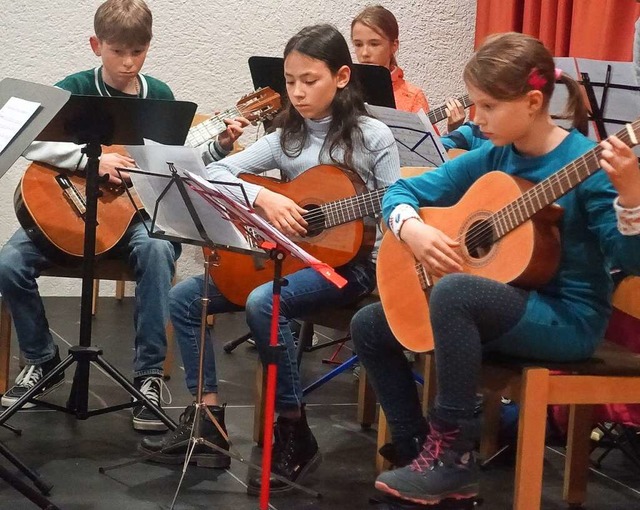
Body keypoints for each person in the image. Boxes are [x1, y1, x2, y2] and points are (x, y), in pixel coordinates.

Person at [350, 31, 640, 505]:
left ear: (531, 102)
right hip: (503, 300)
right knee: (371, 324)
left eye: (487, 107)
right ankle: (416, 445)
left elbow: (632, 262)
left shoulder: (585, 166)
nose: (476, 118)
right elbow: (400, 193)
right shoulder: (494, 157)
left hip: (568, 318)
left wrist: (631, 195)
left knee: (454, 293)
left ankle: (453, 460)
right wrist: (413, 231)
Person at [140, 24, 401, 494]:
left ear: (342, 77)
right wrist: (263, 197)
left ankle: (293, 428)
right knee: (184, 298)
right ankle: (210, 422)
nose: (297, 93)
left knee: (264, 302)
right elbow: (214, 172)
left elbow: (395, 201)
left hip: (352, 267)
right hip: (292, 260)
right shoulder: (288, 135)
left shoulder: (374, 135)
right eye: (290, 80)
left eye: (310, 80)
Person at [0, 0, 248, 433]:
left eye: (139, 51)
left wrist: (220, 146)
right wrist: (89, 162)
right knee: (7, 264)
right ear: (96, 45)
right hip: (68, 212)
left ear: (149, 46)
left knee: (157, 251)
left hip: (134, 217)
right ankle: (40, 360)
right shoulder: (75, 88)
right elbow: (28, 139)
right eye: (118, 51)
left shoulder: (161, 97)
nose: (129, 62)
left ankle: (147, 375)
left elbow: (176, 163)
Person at [350, 5, 464, 134]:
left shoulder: (412, 96)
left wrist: (454, 131)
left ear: (394, 46)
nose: (364, 53)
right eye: (358, 44)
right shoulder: (343, 88)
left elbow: (428, 151)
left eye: (374, 44)